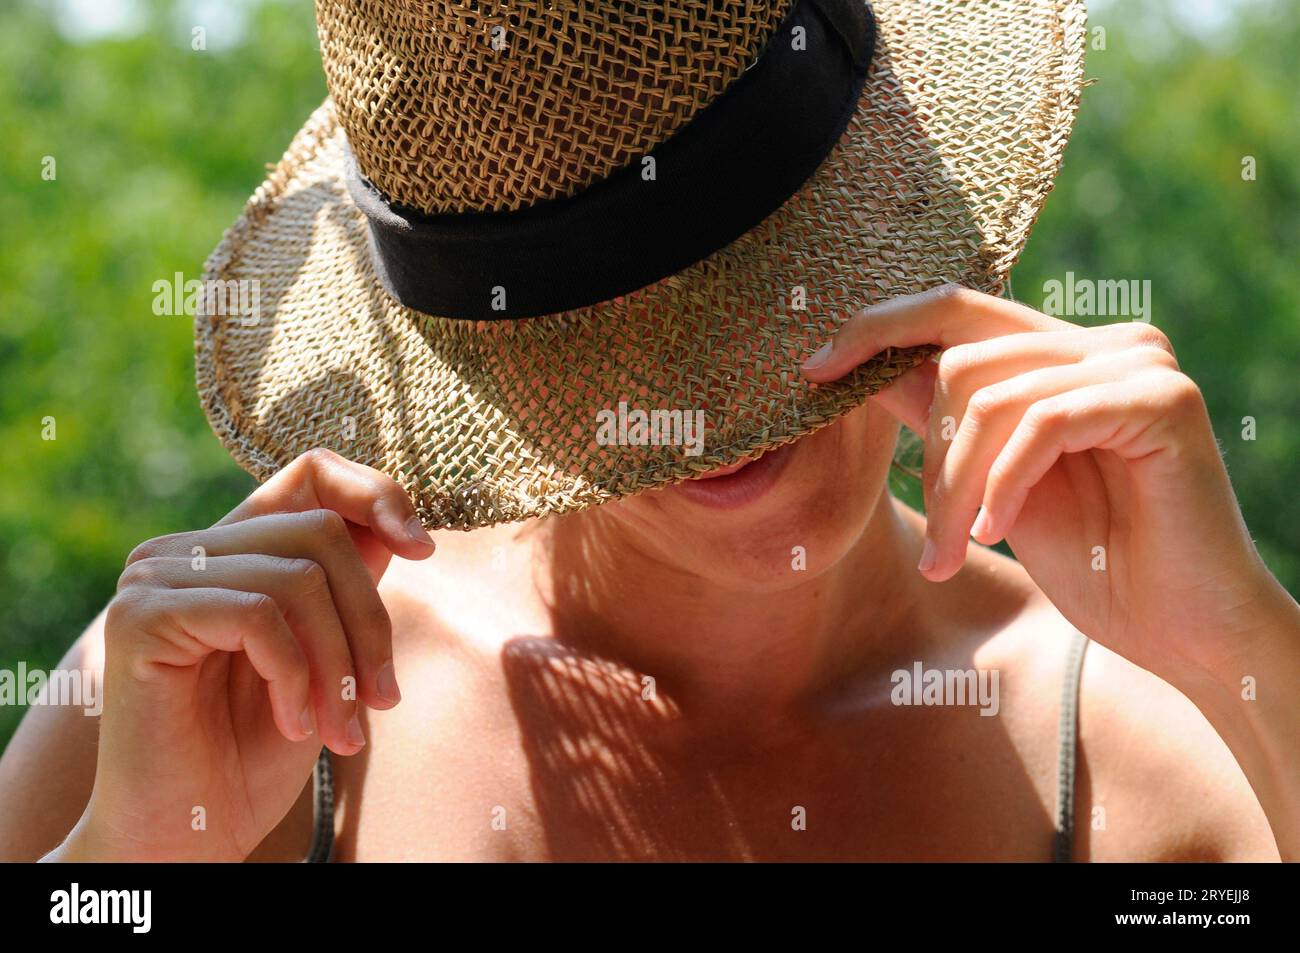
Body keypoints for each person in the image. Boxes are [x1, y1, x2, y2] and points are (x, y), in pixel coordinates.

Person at [1, 0, 1295, 861]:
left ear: (897, 192)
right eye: (592, 310)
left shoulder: (1145, 748)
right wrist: (126, 862)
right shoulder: (215, 698)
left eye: (755, 270)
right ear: (478, 355)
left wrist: (1242, 640)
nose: (697, 387)